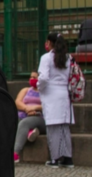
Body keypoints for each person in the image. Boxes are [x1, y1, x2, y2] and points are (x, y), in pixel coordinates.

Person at [37, 32, 75, 168]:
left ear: (50, 43)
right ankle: (67, 158)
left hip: (51, 94)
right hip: (64, 94)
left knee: (53, 127)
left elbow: (44, 78)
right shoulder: (68, 58)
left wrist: (38, 86)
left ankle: (55, 158)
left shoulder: (46, 58)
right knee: (64, 127)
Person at [13, 71, 46, 163]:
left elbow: (48, 105)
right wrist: (27, 108)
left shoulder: (46, 92)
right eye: (31, 77)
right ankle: (31, 131)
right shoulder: (25, 90)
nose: (32, 79)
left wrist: (35, 108)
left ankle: (15, 153)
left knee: (25, 123)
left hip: (40, 118)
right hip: (24, 114)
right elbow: (18, 102)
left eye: (35, 77)